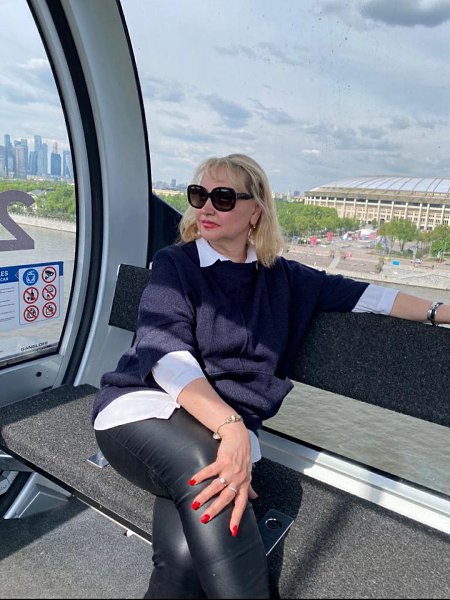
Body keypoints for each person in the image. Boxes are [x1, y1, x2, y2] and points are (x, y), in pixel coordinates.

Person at [92, 153, 450, 599]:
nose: (206, 207)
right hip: (144, 409)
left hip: (220, 437)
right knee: (208, 465)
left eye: (223, 197)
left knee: (184, 559)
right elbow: (165, 355)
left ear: (255, 211)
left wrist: (439, 311)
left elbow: (370, 297)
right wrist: (231, 426)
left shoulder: (285, 279)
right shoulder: (176, 264)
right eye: (199, 195)